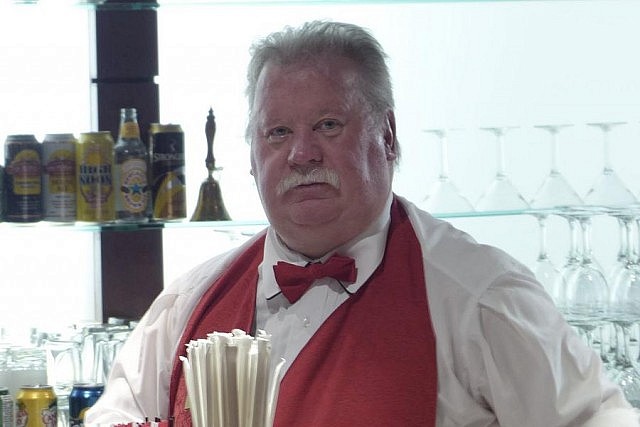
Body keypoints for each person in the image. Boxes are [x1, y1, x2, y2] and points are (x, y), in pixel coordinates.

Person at [87, 20, 639, 426]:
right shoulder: (189, 301)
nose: (302, 154)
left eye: (328, 125)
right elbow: (116, 415)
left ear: (388, 137)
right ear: (251, 156)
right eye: (277, 133)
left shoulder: (480, 296)